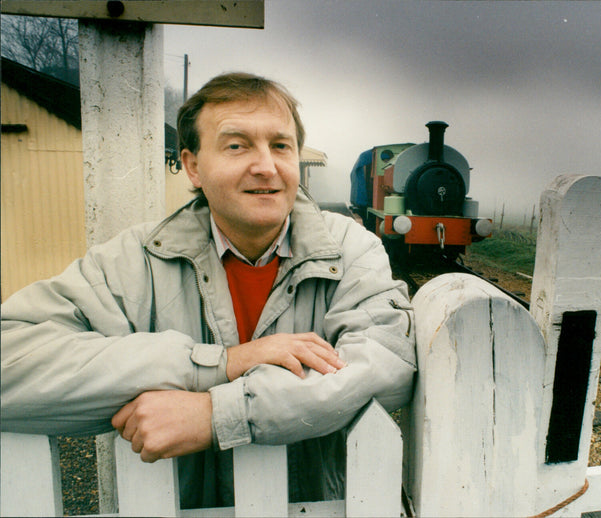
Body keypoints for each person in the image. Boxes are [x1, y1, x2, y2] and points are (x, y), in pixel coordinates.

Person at [0, 72, 416, 507]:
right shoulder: (133, 262)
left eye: (280, 145)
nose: (266, 166)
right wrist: (220, 364)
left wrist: (217, 414)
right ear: (194, 166)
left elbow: (385, 365)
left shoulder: (349, 248)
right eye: (237, 145)